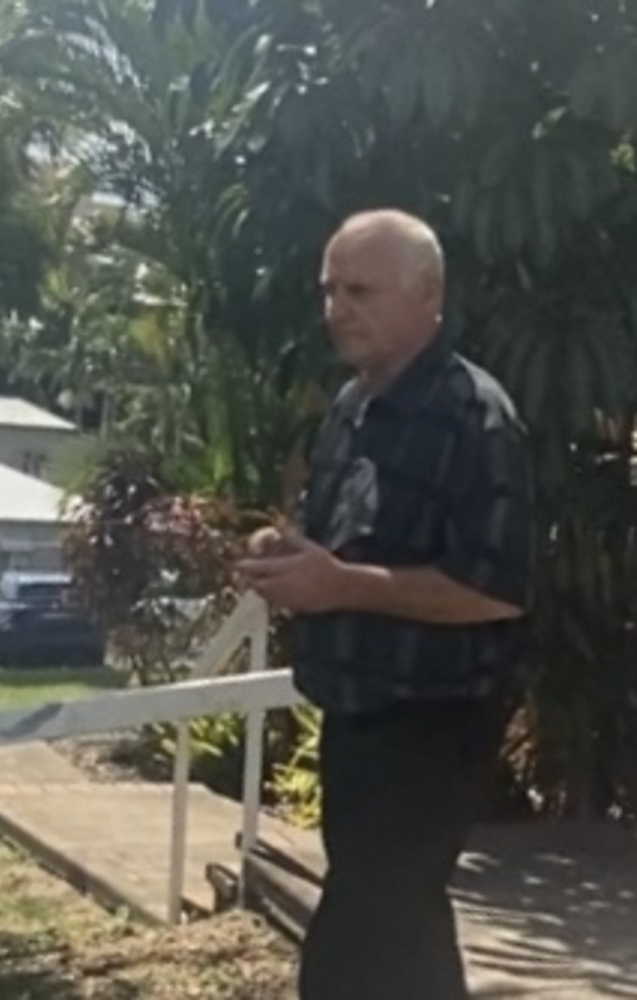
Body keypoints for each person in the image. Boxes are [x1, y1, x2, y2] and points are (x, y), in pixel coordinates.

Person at [238, 209, 533, 1000]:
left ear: (428, 293)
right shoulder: (350, 407)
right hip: (355, 712)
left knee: (358, 935)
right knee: (404, 930)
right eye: (329, 289)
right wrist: (288, 556)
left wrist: (338, 585)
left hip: (434, 719)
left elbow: (494, 592)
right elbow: (345, 541)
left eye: (360, 289)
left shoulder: (476, 417)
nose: (337, 308)